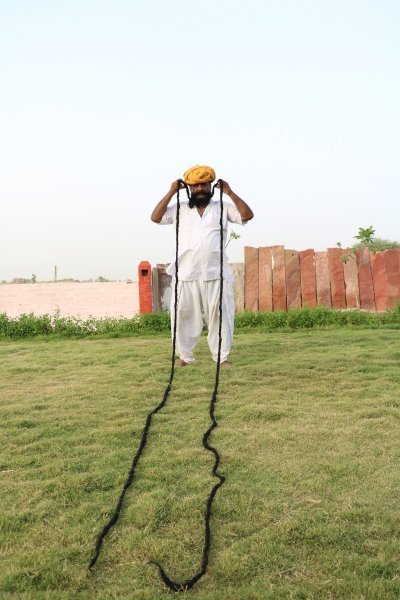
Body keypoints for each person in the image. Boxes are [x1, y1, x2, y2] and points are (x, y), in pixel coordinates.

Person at [151, 165, 254, 367]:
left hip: (216, 272)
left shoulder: (221, 207)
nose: (200, 189)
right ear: (189, 188)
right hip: (186, 272)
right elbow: (155, 218)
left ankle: (221, 357)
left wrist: (230, 192)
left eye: (204, 185)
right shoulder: (179, 208)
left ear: (210, 186)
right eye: (195, 185)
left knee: (220, 316)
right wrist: (172, 191)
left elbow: (247, 216)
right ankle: (185, 356)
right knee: (183, 316)